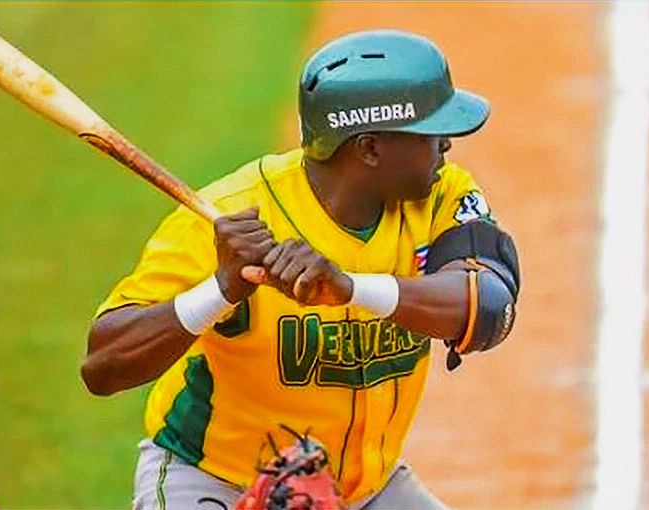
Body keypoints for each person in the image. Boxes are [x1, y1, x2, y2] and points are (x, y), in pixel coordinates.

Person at [81, 29, 520, 510]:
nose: (447, 145)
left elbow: (487, 309)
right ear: (369, 149)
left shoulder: (440, 196)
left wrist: (348, 288)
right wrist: (222, 289)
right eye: (429, 131)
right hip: (216, 482)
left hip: (368, 492)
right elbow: (103, 367)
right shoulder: (228, 216)